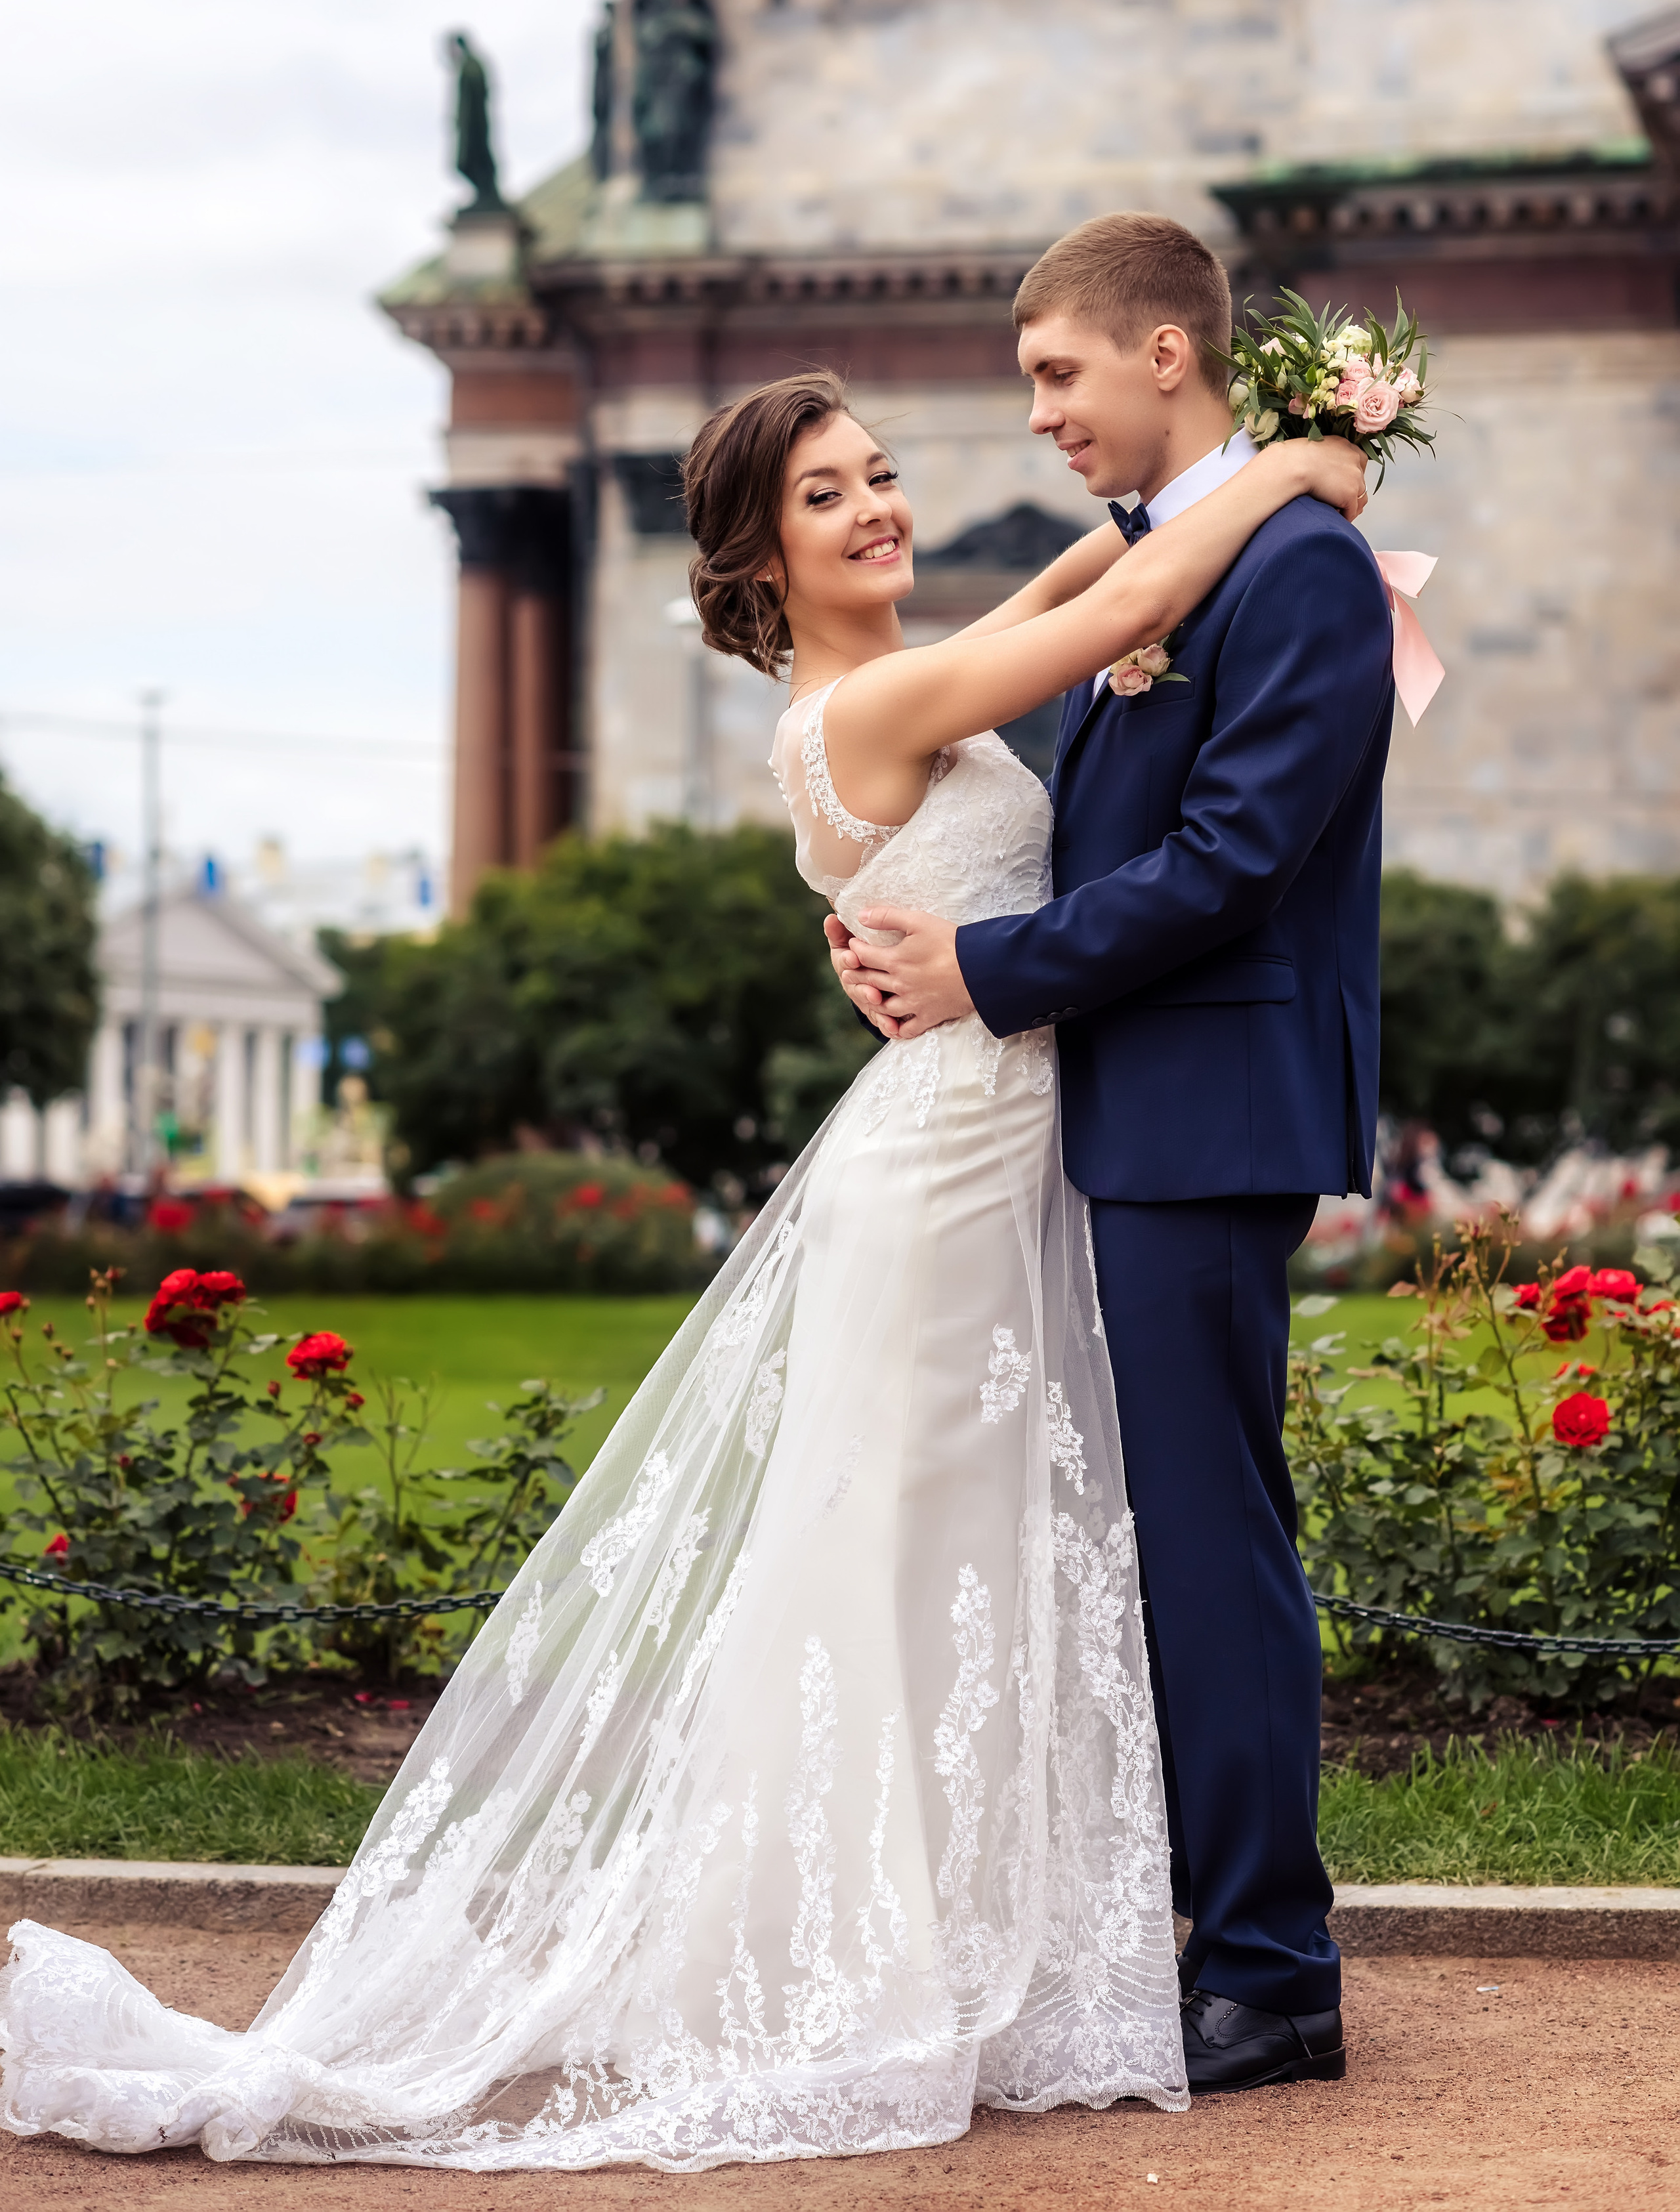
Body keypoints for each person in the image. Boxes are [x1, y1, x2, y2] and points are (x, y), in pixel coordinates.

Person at [0, 345, 1365, 2173]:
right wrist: (1304, 464)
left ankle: (996, 1936)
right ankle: (897, 1953)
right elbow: (1118, 595)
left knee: (973, 1552)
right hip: (953, 1165)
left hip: (990, 1142)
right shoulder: (867, 714)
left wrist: (1219, 494)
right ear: (758, 559)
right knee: (912, 1551)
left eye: (882, 470)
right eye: (828, 495)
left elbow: (1071, 595)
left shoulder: (901, 683)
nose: (879, 504)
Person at [830, 211, 1398, 2096]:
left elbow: (1235, 862)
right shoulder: (1174, 561)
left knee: (1214, 1544)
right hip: (1108, 1108)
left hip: (1203, 1112)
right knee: (1145, 1539)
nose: (1043, 415)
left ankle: (1270, 1967)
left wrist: (982, 965)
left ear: (1169, 353)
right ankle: (1192, 1934)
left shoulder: (1300, 568)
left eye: (1059, 375)